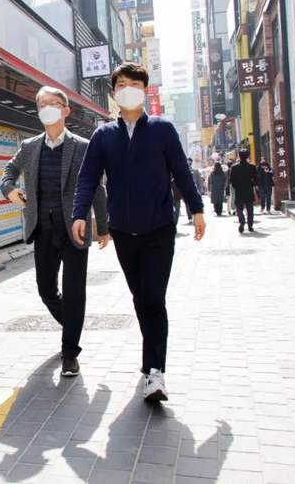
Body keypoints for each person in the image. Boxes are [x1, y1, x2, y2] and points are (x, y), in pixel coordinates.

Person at [72, 62, 206, 402]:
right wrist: (79, 214)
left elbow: (181, 171)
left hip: (159, 229)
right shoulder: (103, 136)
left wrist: (197, 208)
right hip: (123, 231)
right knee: (140, 297)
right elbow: (88, 178)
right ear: (113, 93)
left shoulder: (163, 129)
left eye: (134, 84)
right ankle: (151, 361)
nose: (127, 89)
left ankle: (155, 371)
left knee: (154, 298)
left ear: (145, 90)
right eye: (121, 85)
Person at [1, 86, 109, 377]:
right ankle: (71, 325)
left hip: (75, 228)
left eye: (53, 103)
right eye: (42, 104)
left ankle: (70, 352)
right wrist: (9, 189)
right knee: (46, 289)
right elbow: (8, 172)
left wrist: (103, 227)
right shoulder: (29, 146)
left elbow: (97, 187)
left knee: (74, 292)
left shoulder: (83, 146)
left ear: (66, 110)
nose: (47, 108)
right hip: (43, 230)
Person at [229, 149, 257, 233]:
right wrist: (251, 184)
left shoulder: (234, 167)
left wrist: (236, 186)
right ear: (248, 156)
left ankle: (242, 221)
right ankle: (250, 225)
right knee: (250, 209)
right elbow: (256, 180)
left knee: (239, 208)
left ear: (239, 156)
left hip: (239, 191)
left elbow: (232, 181)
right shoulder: (252, 167)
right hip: (249, 190)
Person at [185, 158, 203, 223]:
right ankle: (190, 217)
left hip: (194, 190)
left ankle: (193, 216)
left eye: (189, 162)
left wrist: (200, 190)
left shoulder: (195, 171)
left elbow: (199, 181)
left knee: (193, 204)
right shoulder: (183, 171)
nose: (188, 163)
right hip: (186, 190)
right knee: (187, 205)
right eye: (187, 162)